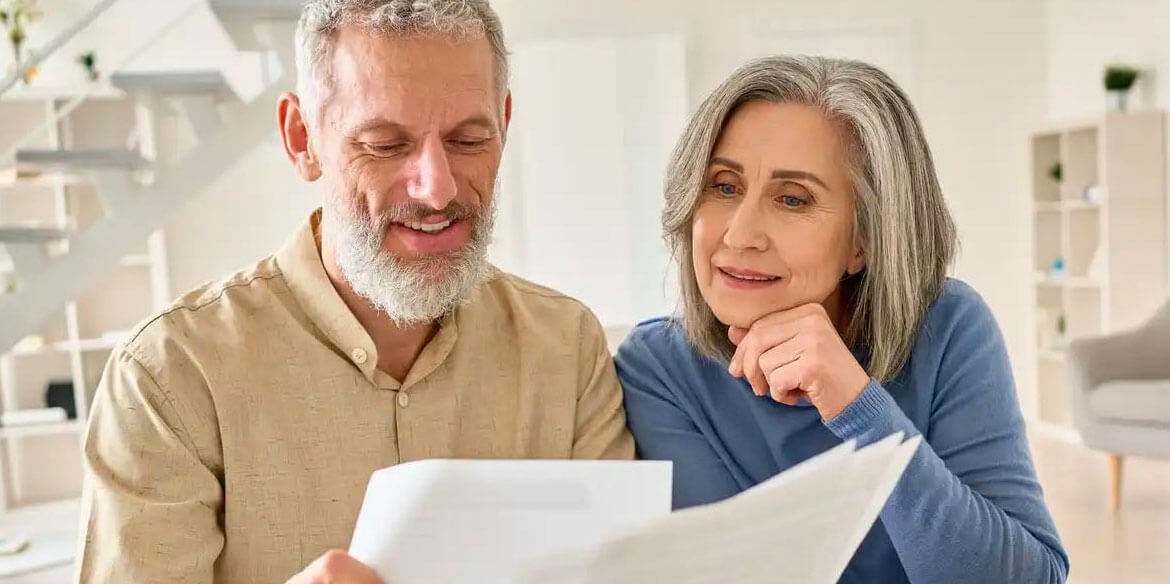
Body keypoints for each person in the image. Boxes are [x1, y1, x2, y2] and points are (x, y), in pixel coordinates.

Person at [78, 1, 633, 582]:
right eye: (385, 145)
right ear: (302, 139)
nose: (437, 190)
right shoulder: (169, 377)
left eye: (468, 140)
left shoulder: (566, 349)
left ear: (505, 123)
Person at [615, 56, 1069, 583]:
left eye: (792, 199)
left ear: (865, 240)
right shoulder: (659, 370)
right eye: (723, 186)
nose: (739, 235)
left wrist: (860, 409)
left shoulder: (948, 329)